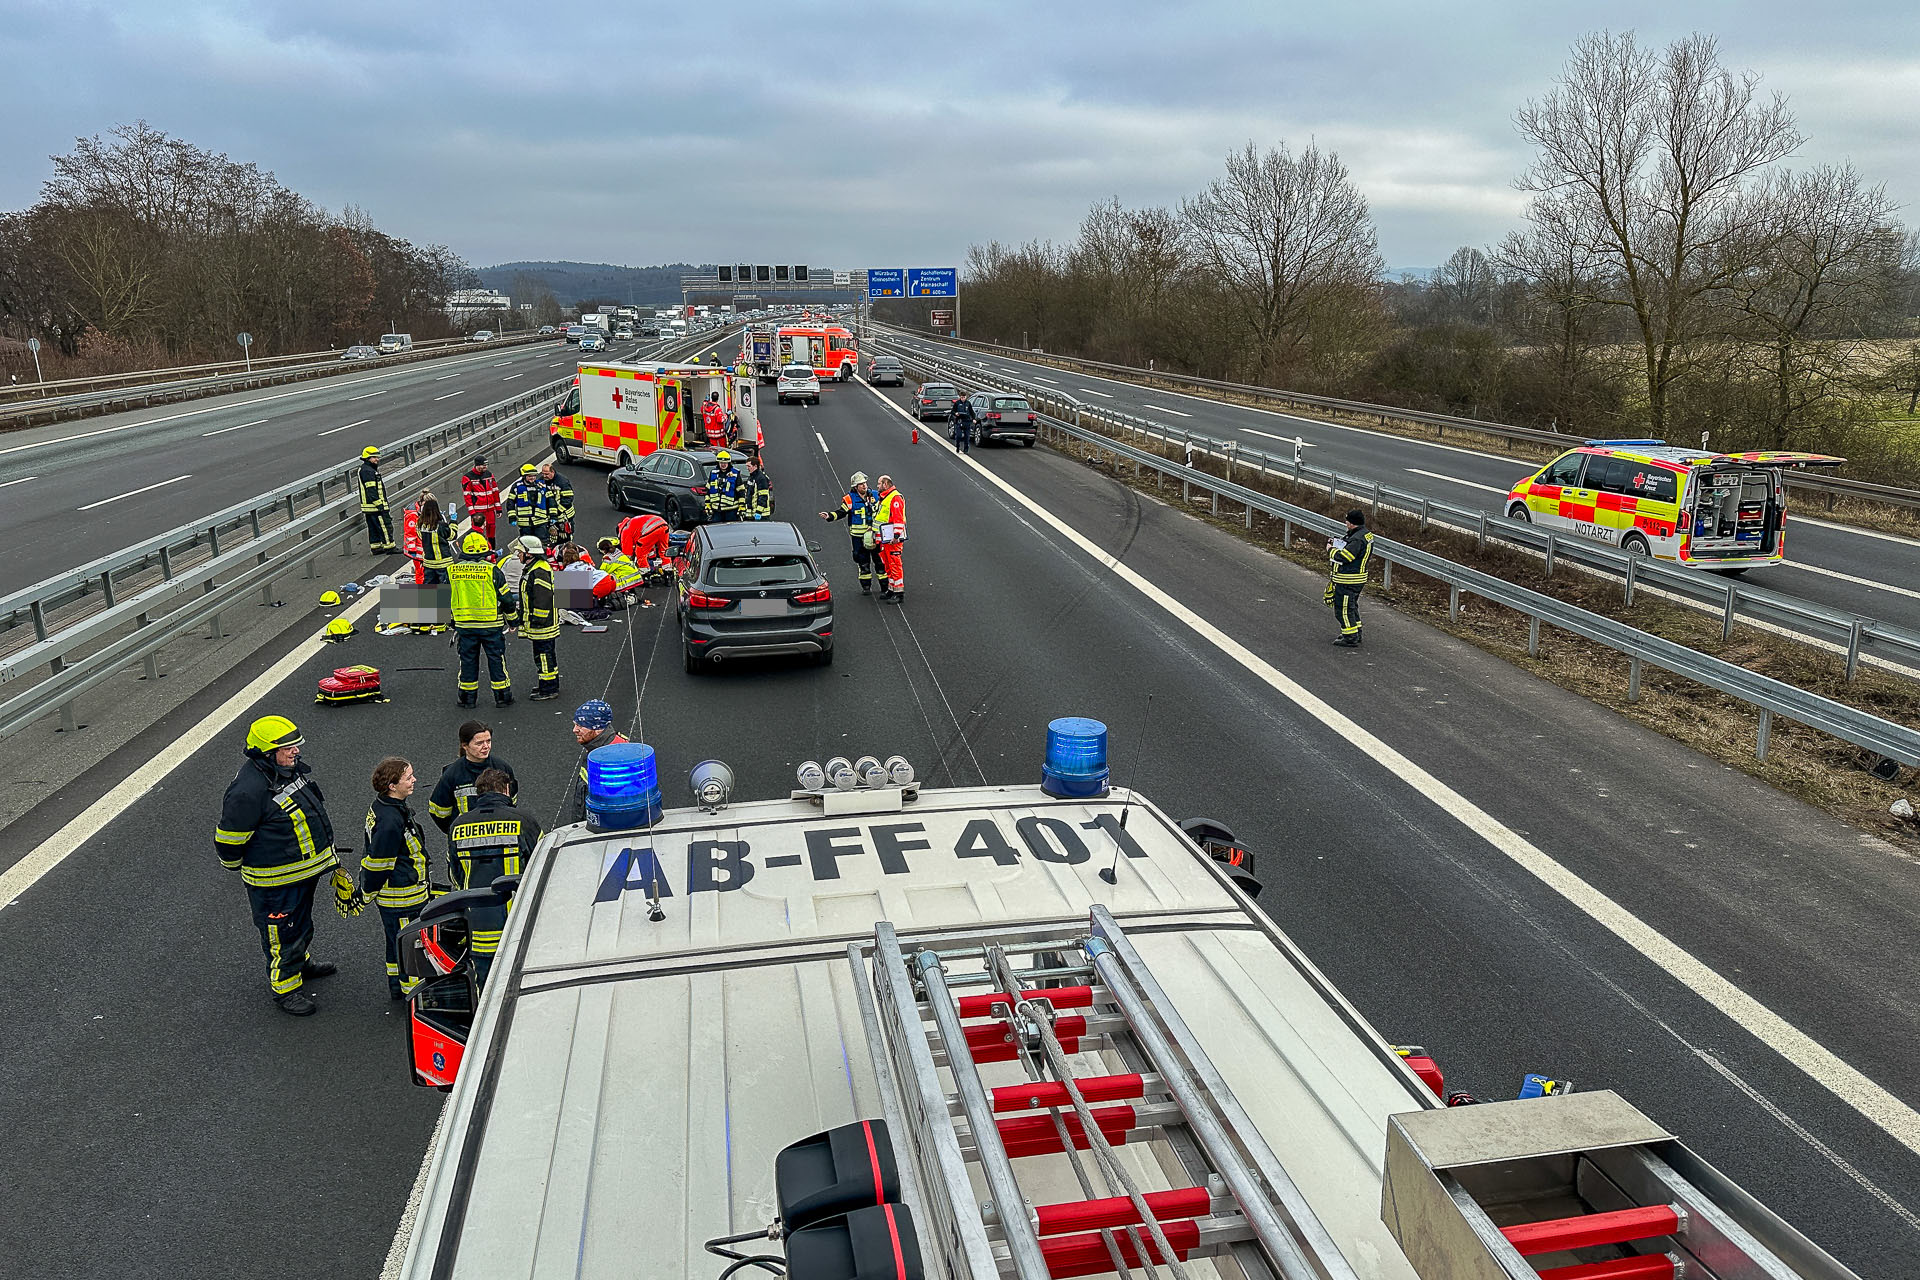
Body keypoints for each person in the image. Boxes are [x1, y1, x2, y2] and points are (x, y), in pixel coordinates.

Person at [215, 715, 340, 1017]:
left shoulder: (284, 771)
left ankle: (301, 964)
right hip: (275, 882)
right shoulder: (248, 791)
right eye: (288, 748)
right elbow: (228, 841)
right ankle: (286, 990)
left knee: (300, 925)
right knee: (281, 935)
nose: (296, 751)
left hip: (301, 874)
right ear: (266, 753)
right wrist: (236, 865)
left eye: (296, 745)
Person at [445, 767, 542, 985]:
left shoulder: (458, 826)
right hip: (517, 923)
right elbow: (542, 866)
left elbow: (455, 874)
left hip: (478, 925)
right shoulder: (523, 821)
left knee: (485, 986)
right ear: (506, 789)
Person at [361, 756, 429, 1000]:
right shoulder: (390, 820)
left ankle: (397, 987)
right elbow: (380, 863)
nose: (414, 780)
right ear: (392, 785)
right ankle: (413, 995)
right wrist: (366, 891)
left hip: (398, 894)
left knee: (395, 942)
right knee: (409, 946)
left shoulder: (386, 807)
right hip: (402, 896)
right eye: (408, 778)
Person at [449, 531, 514, 707]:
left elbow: (445, 598)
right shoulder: (492, 570)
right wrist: (513, 621)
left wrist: (451, 621)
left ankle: (467, 699)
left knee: (467, 662)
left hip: (465, 625)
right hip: (491, 625)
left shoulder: (452, 570)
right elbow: (506, 599)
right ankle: (502, 697)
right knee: (496, 660)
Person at [428, 721, 519, 844]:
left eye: (488, 741)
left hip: (499, 836)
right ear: (465, 746)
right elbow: (438, 812)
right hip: (466, 841)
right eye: (479, 743)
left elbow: (511, 802)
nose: (486, 746)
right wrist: (456, 830)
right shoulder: (452, 775)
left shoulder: (502, 768)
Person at [515, 535, 561, 700]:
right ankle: (548, 684)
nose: (518, 555)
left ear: (529, 553)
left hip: (542, 625)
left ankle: (548, 689)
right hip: (542, 623)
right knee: (544, 655)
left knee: (544, 656)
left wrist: (537, 620)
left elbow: (543, 598)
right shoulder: (535, 567)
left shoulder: (539, 571)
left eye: (520, 552)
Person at [568, 700, 629, 823]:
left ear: (597, 729)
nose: (574, 730)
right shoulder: (596, 746)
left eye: (580, 725)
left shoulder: (610, 759)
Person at [1327, 509, 1373, 647]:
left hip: (1348, 580)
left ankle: (1350, 637)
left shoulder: (1357, 539)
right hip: (1357, 578)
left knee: (1343, 609)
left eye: (1347, 521)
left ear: (1352, 523)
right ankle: (1355, 632)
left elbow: (1345, 557)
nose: (1345, 523)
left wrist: (1331, 549)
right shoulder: (1365, 534)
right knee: (1351, 607)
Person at [358, 445, 399, 554]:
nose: (377, 459)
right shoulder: (368, 471)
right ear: (367, 458)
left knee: (374, 529)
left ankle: (376, 547)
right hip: (375, 507)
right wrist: (380, 505)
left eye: (377, 457)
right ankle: (390, 547)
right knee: (385, 526)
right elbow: (371, 491)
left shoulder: (365, 469)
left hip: (369, 507)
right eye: (374, 457)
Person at [874, 474, 907, 602]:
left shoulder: (895, 497)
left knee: (895, 564)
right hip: (886, 538)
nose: (877, 486)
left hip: (893, 539)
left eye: (879, 483)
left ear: (886, 484)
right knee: (888, 565)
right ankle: (891, 589)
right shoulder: (885, 497)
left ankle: (899, 593)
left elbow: (898, 519)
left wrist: (896, 535)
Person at [504, 463, 549, 544]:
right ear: (524, 476)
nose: (532, 478)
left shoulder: (541, 485)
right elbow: (510, 502)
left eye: (534, 476)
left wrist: (552, 515)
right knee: (527, 543)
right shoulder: (517, 487)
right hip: (524, 522)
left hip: (540, 521)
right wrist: (512, 517)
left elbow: (550, 501)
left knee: (542, 542)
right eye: (530, 476)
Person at [461, 456, 501, 546]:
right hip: (478, 511)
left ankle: (492, 550)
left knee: (491, 532)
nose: (485, 467)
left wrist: (498, 508)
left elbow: (495, 491)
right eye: (483, 465)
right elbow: (467, 497)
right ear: (477, 465)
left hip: (490, 510)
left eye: (486, 465)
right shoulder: (468, 478)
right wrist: (472, 513)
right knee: (477, 532)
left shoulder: (489, 475)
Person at [418, 496, 454, 586]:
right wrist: (453, 522)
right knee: (446, 588)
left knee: (429, 588)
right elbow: (452, 536)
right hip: (443, 562)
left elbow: (420, 537)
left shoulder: (420, 524)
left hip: (428, 563)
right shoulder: (441, 525)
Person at [539, 461, 575, 543]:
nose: (544, 476)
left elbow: (568, 499)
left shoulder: (562, 482)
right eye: (543, 474)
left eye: (547, 474)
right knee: (552, 536)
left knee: (565, 536)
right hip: (550, 515)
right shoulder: (541, 481)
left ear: (553, 472)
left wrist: (557, 511)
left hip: (564, 515)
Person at [706, 450, 744, 522]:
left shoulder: (735, 474)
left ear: (728, 463)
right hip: (716, 510)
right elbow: (708, 490)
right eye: (721, 463)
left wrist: (741, 507)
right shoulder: (713, 473)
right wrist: (707, 505)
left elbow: (741, 491)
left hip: (731, 510)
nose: (723, 465)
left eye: (725, 463)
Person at [743, 454, 774, 521]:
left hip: (762, 514)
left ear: (755, 466)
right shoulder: (751, 477)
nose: (747, 468)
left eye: (749, 466)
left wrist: (758, 512)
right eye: (747, 466)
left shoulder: (761, 478)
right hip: (752, 514)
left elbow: (763, 496)